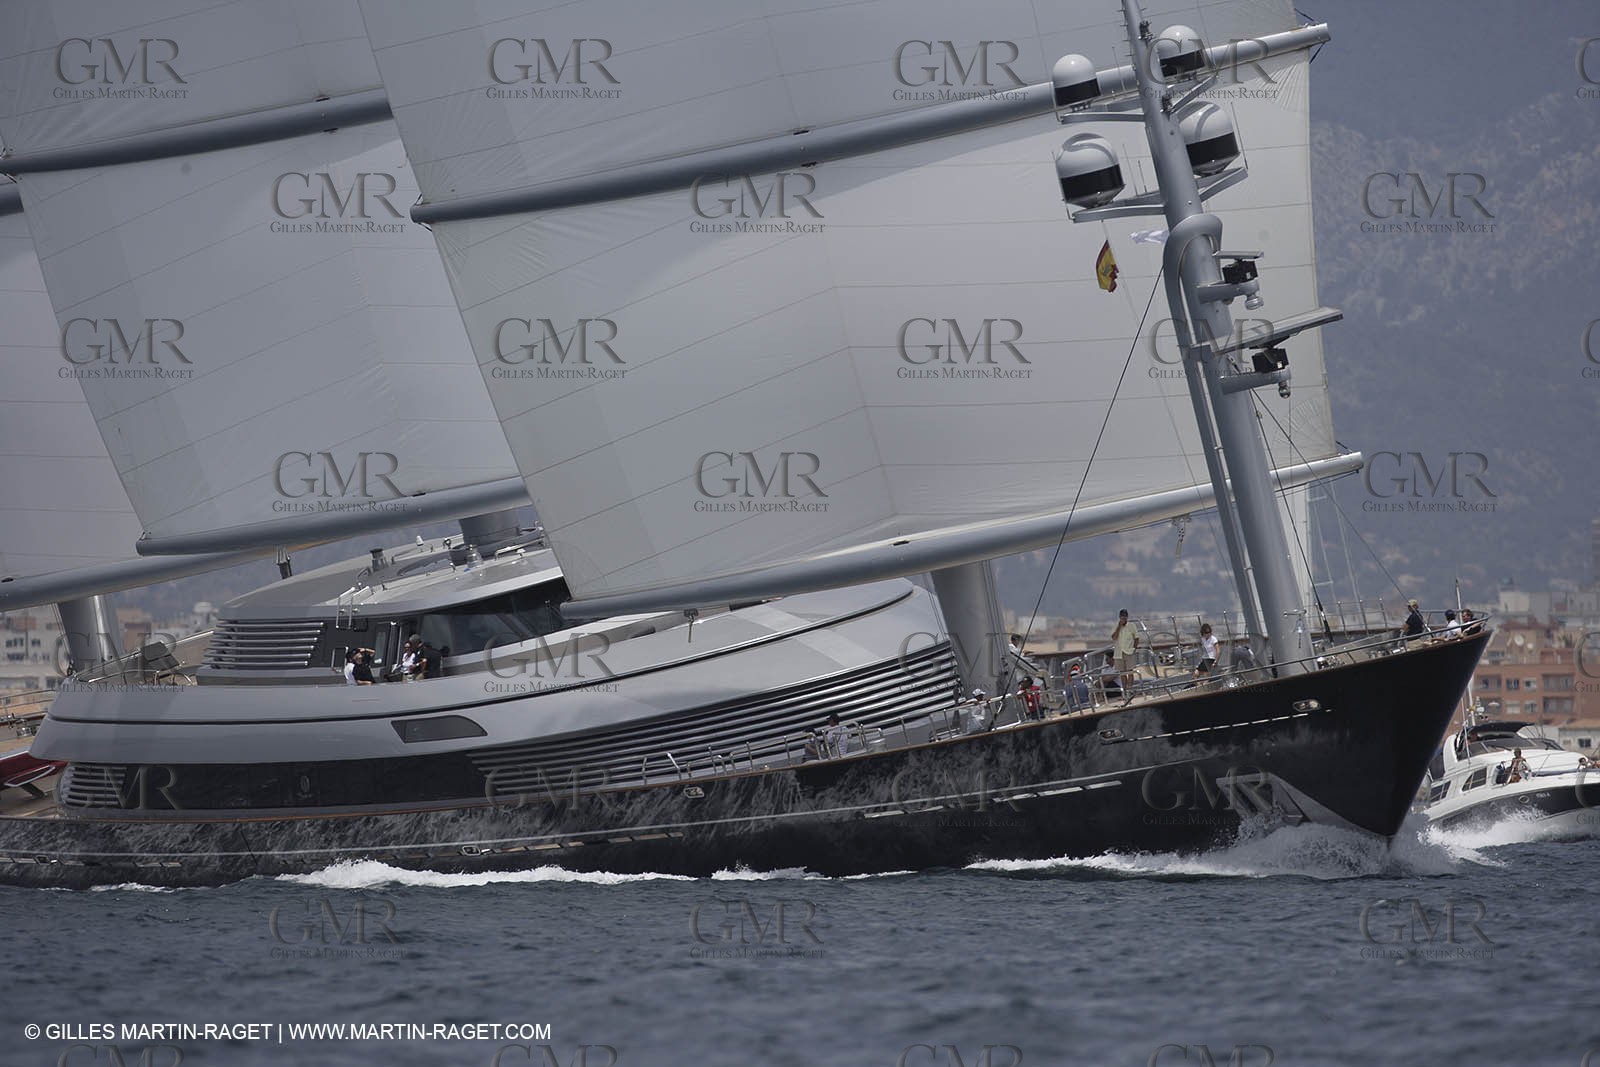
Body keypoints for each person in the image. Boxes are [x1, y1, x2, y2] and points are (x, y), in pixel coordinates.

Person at [1111, 609, 1138, 693]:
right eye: (1122, 617)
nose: (1123, 618)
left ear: (1127, 617)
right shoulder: (1116, 626)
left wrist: (1134, 648)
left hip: (1129, 651)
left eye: (1125, 617)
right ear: (1119, 617)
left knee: (1130, 672)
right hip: (1119, 653)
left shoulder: (1132, 625)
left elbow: (1136, 638)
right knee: (1122, 674)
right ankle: (1125, 691)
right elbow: (1114, 637)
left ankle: (1130, 689)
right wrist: (1119, 627)